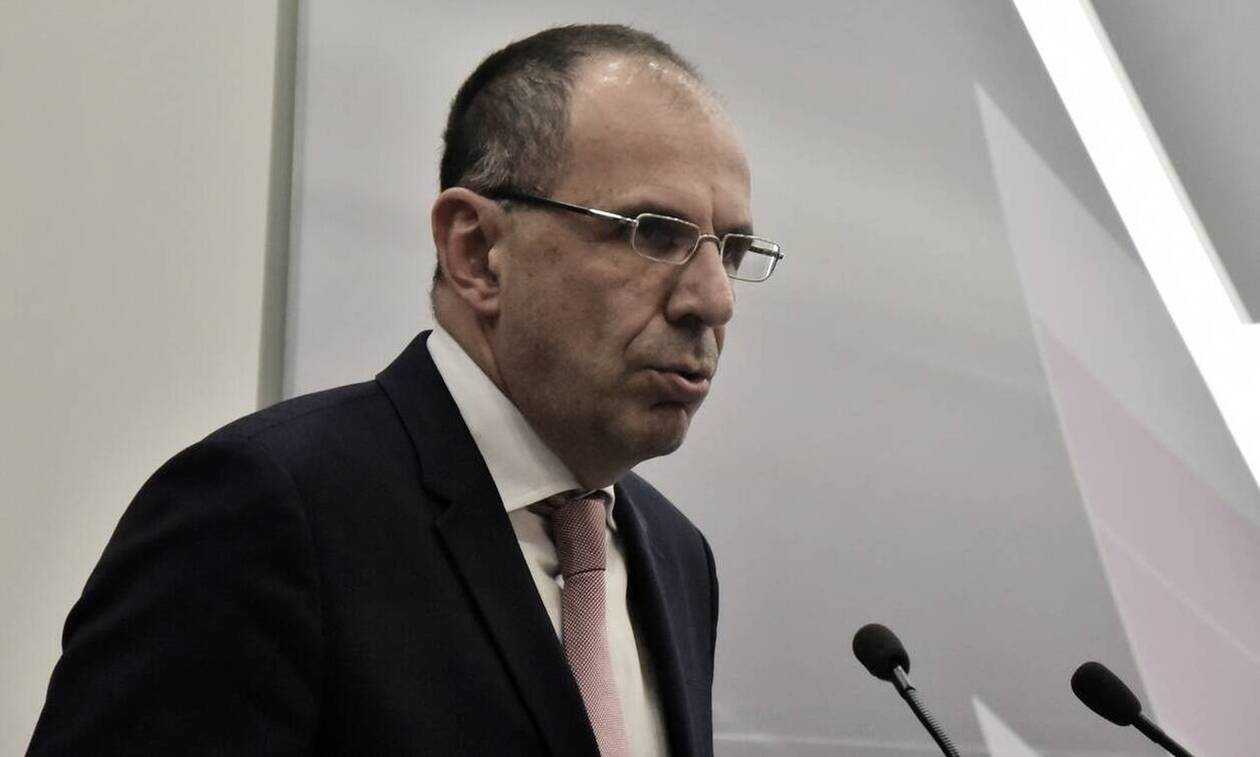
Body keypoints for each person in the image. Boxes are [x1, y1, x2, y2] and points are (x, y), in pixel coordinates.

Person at [28, 24, 781, 756]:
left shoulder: (677, 558)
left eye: (733, 249)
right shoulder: (265, 512)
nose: (714, 300)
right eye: (654, 233)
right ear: (477, 252)